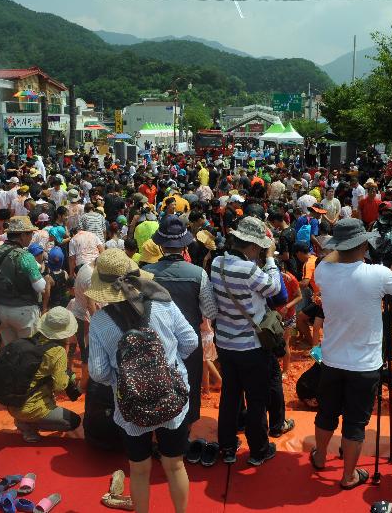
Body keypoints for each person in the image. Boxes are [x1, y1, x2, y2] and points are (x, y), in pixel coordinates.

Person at [87, 248, 198, 513]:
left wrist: (126, 377)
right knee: (175, 464)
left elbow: (98, 372)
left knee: (138, 470)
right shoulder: (163, 304)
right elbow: (191, 341)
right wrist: (170, 364)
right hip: (171, 396)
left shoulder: (100, 321)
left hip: (131, 407)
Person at [310, 218, 392, 490]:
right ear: (364, 244)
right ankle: (348, 476)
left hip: (331, 358)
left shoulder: (323, 270)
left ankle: (320, 457)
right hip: (364, 365)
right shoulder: (377, 274)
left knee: (327, 413)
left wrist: (344, 247)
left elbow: (331, 256)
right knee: (355, 423)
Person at [210, 216, 282, 466]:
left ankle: (227, 447)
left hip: (226, 344)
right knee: (256, 399)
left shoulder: (217, 263)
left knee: (230, 396)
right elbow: (274, 288)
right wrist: (271, 259)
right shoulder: (249, 269)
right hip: (251, 345)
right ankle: (258, 450)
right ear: (252, 247)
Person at [143, 216, 218, 432]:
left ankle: (160, 429)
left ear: (160, 245)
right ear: (185, 245)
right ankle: (183, 432)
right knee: (190, 385)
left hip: (156, 340)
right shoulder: (198, 274)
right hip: (190, 342)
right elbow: (210, 311)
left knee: (157, 384)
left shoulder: (147, 273)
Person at [2, 307, 82, 443]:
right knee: (73, 421)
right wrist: (70, 377)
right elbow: (60, 385)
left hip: (12, 403)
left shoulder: (32, 339)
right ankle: (28, 425)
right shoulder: (57, 352)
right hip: (31, 408)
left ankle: (24, 421)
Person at [0, 216, 47, 344]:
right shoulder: (25, 256)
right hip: (24, 312)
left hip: (1, 309)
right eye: (30, 234)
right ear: (23, 235)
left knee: (9, 349)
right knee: (27, 351)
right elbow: (40, 287)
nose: (31, 237)